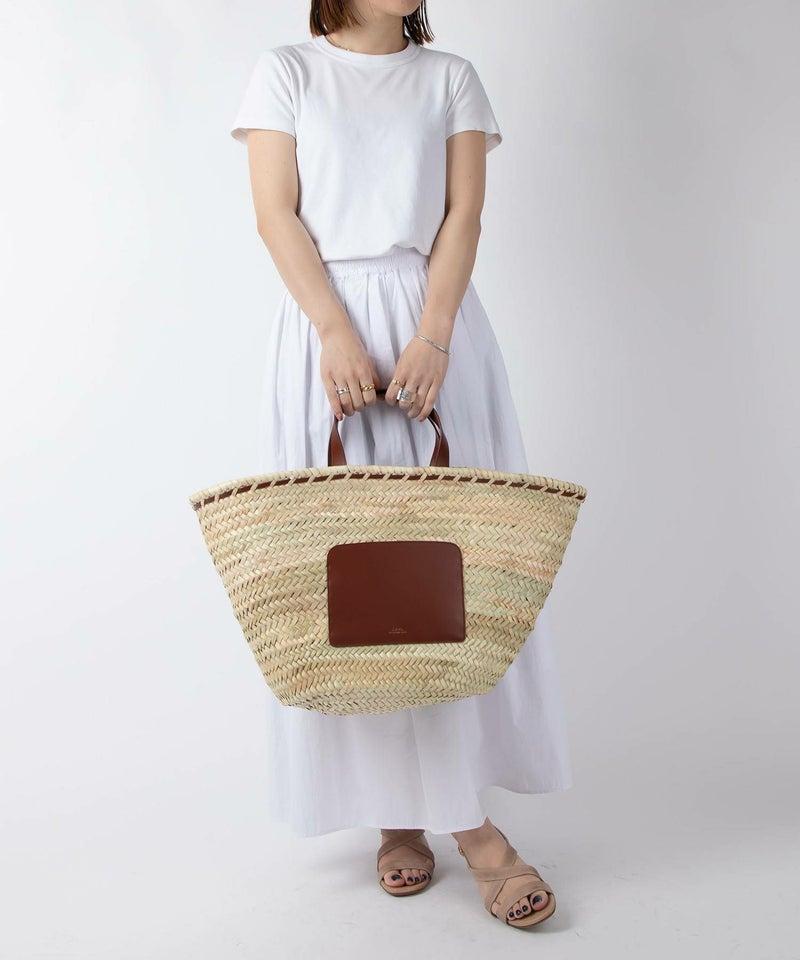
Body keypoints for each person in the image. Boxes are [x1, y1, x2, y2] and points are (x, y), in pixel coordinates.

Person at [230, 0, 571, 928]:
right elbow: (275, 215)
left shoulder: (450, 77)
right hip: (324, 333)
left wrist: (435, 334)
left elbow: (462, 218)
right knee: (353, 587)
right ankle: (407, 817)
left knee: (447, 579)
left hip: (435, 333)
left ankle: (461, 819)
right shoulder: (286, 71)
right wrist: (334, 330)